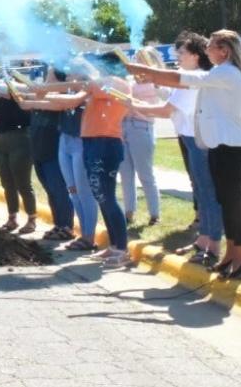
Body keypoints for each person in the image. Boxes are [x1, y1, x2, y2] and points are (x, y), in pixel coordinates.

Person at [128, 29, 241, 279]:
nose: (206, 51)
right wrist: (151, 76)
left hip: (228, 145)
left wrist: (150, 73)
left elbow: (185, 79)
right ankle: (231, 254)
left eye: (211, 47)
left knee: (232, 203)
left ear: (224, 51)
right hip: (218, 144)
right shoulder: (222, 72)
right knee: (227, 203)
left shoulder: (226, 72)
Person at [25, 59, 133, 267]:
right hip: (94, 142)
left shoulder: (114, 84)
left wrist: (43, 89)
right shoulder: (101, 85)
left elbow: (75, 92)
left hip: (106, 144)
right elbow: (72, 94)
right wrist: (36, 94)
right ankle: (114, 246)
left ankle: (122, 249)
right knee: (102, 197)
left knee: (107, 198)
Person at [129, 32, 221, 266]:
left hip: (198, 141)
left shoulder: (195, 78)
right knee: (201, 191)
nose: (176, 55)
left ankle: (212, 246)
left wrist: (132, 104)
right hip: (192, 139)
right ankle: (203, 240)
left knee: (208, 195)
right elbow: (171, 97)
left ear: (195, 55)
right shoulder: (190, 78)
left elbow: (165, 110)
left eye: (181, 52)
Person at [18, 66, 76, 241]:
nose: (45, 79)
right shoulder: (42, 94)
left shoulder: (61, 97)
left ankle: (66, 226)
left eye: (49, 76)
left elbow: (47, 101)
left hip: (53, 151)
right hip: (39, 150)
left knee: (59, 190)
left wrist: (35, 96)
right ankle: (58, 224)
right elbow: (26, 96)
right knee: (50, 191)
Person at [0, 77, 37, 233]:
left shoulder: (18, 96)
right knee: (7, 182)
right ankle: (12, 217)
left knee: (23, 182)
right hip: (1, 139)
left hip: (21, 138)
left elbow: (15, 94)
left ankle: (32, 218)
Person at [120, 48, 163, 226]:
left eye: (140, 59)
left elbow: (158, 100)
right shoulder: (130, 79)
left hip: (141, 125)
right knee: (125, 173)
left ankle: (154, 213)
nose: (136, 62)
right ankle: (129, 212)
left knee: (145, 173)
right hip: (125, 125)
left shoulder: (157, 80)